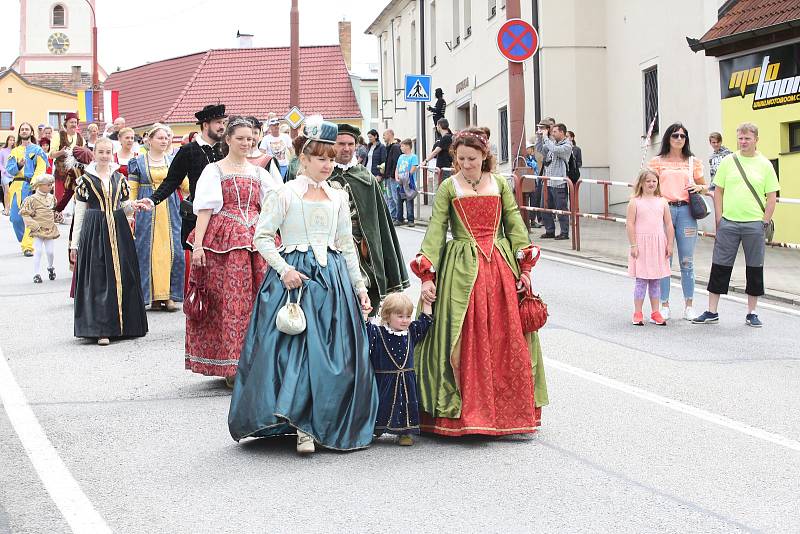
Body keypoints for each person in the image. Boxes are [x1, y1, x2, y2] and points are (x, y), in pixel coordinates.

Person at [228, 116, 377, 454]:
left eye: (331, 157)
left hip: (332, 280)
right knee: (295, 354)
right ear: (304, 158)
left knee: (336, 353)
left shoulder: (337, 196)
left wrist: (360, 286)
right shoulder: (284, 194)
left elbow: (346, 244)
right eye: (320, 157)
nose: (328, 163)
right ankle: (300, 426)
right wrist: (284, 270)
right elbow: (263, 237)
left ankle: (330, 418)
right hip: (296, 280)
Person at [411, 127, 548, 436]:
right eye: (460, 159)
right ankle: (462, 413)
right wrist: (427, 276)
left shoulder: (499, 184)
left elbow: (514, 225)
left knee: (504, 337)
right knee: (461, 338)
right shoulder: (449, 186)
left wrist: (525, 269)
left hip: (499, 267)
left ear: (485, 156)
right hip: (460, 268)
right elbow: (436, 230)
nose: (466, 164)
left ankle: (504, 414)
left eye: (471, 158)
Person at [185, 117, 280, 384]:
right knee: (229, 302)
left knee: (259, 301)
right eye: (240, 138)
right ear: (228, 140)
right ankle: (232, 364)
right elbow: (205, 209)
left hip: (255, 237)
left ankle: (259, 363)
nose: (246, 143)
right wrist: (199, 245)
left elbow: (276, 203)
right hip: (224, 240)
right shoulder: (214, 171)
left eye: (250, 139)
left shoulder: (260, 172)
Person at [693, 122, 779, 328]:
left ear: (756, 140)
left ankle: (752, 312)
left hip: (753, 224)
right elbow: (718, 190)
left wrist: (764, 221)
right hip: (729, 223)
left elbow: (771, 196)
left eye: (747, 138)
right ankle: (712, 310)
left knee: (754, 267)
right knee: (720, 265)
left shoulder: (765, 165)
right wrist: (719, 219)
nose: (743, 142)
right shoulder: (728, 162)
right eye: (740, 138)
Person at [70, 138, 148, 346]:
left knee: (123, 275)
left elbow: (123, 206)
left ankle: (125, 326)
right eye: (101, 152)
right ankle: (101, 330)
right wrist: (74, 244)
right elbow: (79, 212)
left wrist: (135, 206)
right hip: (95, 229)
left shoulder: (118, 178)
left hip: (118, 227)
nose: (104, 155)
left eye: (107, 152)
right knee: (99, 277)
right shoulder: (85, 180)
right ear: (94, 153)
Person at [330, 123, 409, 313]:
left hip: (363, 250)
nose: (346, 148)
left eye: (350, 144)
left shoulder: (365, 177)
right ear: (332, 145)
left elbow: (381, 225)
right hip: (333, 247)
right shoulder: (323, 175)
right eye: (341, 143)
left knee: (366, 302)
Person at [137, 104, 227, 251]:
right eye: (218, 122)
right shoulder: (188, 151)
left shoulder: (226, 149)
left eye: (223, 122)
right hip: (199, 215)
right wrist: (153, 200)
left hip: (225, 216)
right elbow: (172, 180)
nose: (222, 126)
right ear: (205, 125)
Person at [648, 122, 708, 321]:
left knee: (687, 261)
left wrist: (698, 188)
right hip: (663, 211)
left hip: (686, 212)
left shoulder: (693, 162)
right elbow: (648, 185)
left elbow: (705, 187)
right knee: (665, 259)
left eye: (683, 136)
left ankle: (689, 305)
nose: (679, 139)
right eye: (675, 136)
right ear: (668, 138)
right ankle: (664, 304)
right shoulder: (657, 162)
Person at [127, 124, 185, 311]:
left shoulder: (174, 160)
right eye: (160, 138)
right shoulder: (138, 162)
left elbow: (185, 185)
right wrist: (130, 209)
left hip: (170, 209)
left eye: (167, 137)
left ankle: (169, 295)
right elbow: (132, 189)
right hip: (146, 210)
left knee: (173, 250)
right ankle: (149, 295)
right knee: (147, 252)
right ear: (149, 140)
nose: (165, 140)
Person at [368, 292, 432, 446]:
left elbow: (425, 322)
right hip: (384, 380)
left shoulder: (411, 331)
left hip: (406, 380)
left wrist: (427, 303)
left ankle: (405, 432)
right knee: (383, 405)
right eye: (400, 316)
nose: (405, 320)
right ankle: (375, 429)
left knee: (406, 405)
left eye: (408, 316)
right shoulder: (378, 333)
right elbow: (365, 333)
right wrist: (365, 314)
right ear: (387, 315)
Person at [626, 169, 673, 326]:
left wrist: (670, 244)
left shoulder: (662, 201)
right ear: (641, 183)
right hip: (641, 244)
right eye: (648, 181)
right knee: (641, 280)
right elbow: (630, 224)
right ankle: (638, 312)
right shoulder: (635, 202)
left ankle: (655, 312)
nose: (651, 184)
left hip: (658, 244)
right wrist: (633, 244)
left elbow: (668, 224)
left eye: (654, 181)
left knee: (655, 281)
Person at [6, 122, 48, 256]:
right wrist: (18, 165)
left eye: (27, 129)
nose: (24, 131)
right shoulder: (15, 151)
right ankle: (24, 239)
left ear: (31, 133)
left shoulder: (37, 150)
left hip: (30, 187)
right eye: (22, 129)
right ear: (19, 133)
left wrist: (35, 184)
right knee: (15, 218)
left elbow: (41, 168)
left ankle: (28, 246)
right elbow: (10, 170)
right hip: (16, 187)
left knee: (28, 217)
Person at [19, 174, 61, 283]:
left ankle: (50, 267)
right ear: (40, 185)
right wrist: (33, 224)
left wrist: (57, 216)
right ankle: (36, 273)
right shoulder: (31, 199)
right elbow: (25, 213)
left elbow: (54, 211)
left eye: (51, 184)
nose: (51, 187)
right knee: (38, 251)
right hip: (38, 230)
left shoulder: (52, 198)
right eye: (48, 185)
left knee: (50, 252)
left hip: (50, 228)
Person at [535, 122, 572, 240]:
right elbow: (541, 149)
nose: (553, 133)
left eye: (555, 132)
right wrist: (540, 137)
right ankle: (549, 230)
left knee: (561, 209)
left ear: (562, 132)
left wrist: (546, 137)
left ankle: (564, 232)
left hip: (559, 182)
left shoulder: (567, 145)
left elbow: (555, 150)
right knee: (544, 208)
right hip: (548, 182)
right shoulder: (552, 143)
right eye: (553, 131)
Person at [50, 113, 85, 205]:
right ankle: (58, 216)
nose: (73, 124)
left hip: (76, 174)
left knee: (76, 199)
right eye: (71, 122)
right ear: (66, 123)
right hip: (61, 173)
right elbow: (51, 155)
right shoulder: (58, 136)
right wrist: (61, 152)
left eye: (75, 122)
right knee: (60, 198)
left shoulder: (81, 138)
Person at [395, 138, 418, 227]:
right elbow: (397, 168)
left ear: (408, 146)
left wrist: (405, 176)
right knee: (399, 201)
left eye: (402, 146)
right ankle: (399, 218)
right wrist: (396, 176)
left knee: (409, 201)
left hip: (408, 183)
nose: (401, 148)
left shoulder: (413, 157)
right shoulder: (401, 157)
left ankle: (410, 219)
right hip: (400, 182)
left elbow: (413, 168)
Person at [383, 129, 402, 221]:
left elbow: (396, 162)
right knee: (390, 197)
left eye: (384, 135)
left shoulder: (395, 147)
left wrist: (393, 174)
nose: (383, 137)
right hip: (388, 176)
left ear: (390, 134)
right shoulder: (389, 147)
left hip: (392, 176)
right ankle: (392, 216)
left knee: (395, 197)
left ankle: (398, 216)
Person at [0, 135, 16, 215]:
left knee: (13, 191)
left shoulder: (15, 151)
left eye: (13, 140)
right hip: (5, 174)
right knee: (7, 191)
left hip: (13, 174)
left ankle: (11, 209)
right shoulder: (2, 150)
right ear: (7, 141)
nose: (12, 142)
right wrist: (4, 171)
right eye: (10, 140)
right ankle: (6, 209)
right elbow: (0, 163)